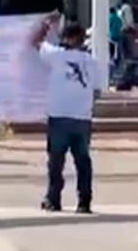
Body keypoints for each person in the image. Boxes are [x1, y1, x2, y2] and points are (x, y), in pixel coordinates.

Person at [33, 13, 97, 214]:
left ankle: (53, 199)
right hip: (82, 118)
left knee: (56, 162)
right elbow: (97, 91)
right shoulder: (91, 61)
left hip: (59, 115)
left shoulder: (56, 56)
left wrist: (45, 23)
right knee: (83, 162)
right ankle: (84, 201)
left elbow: (35, 42)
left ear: (65, 39)